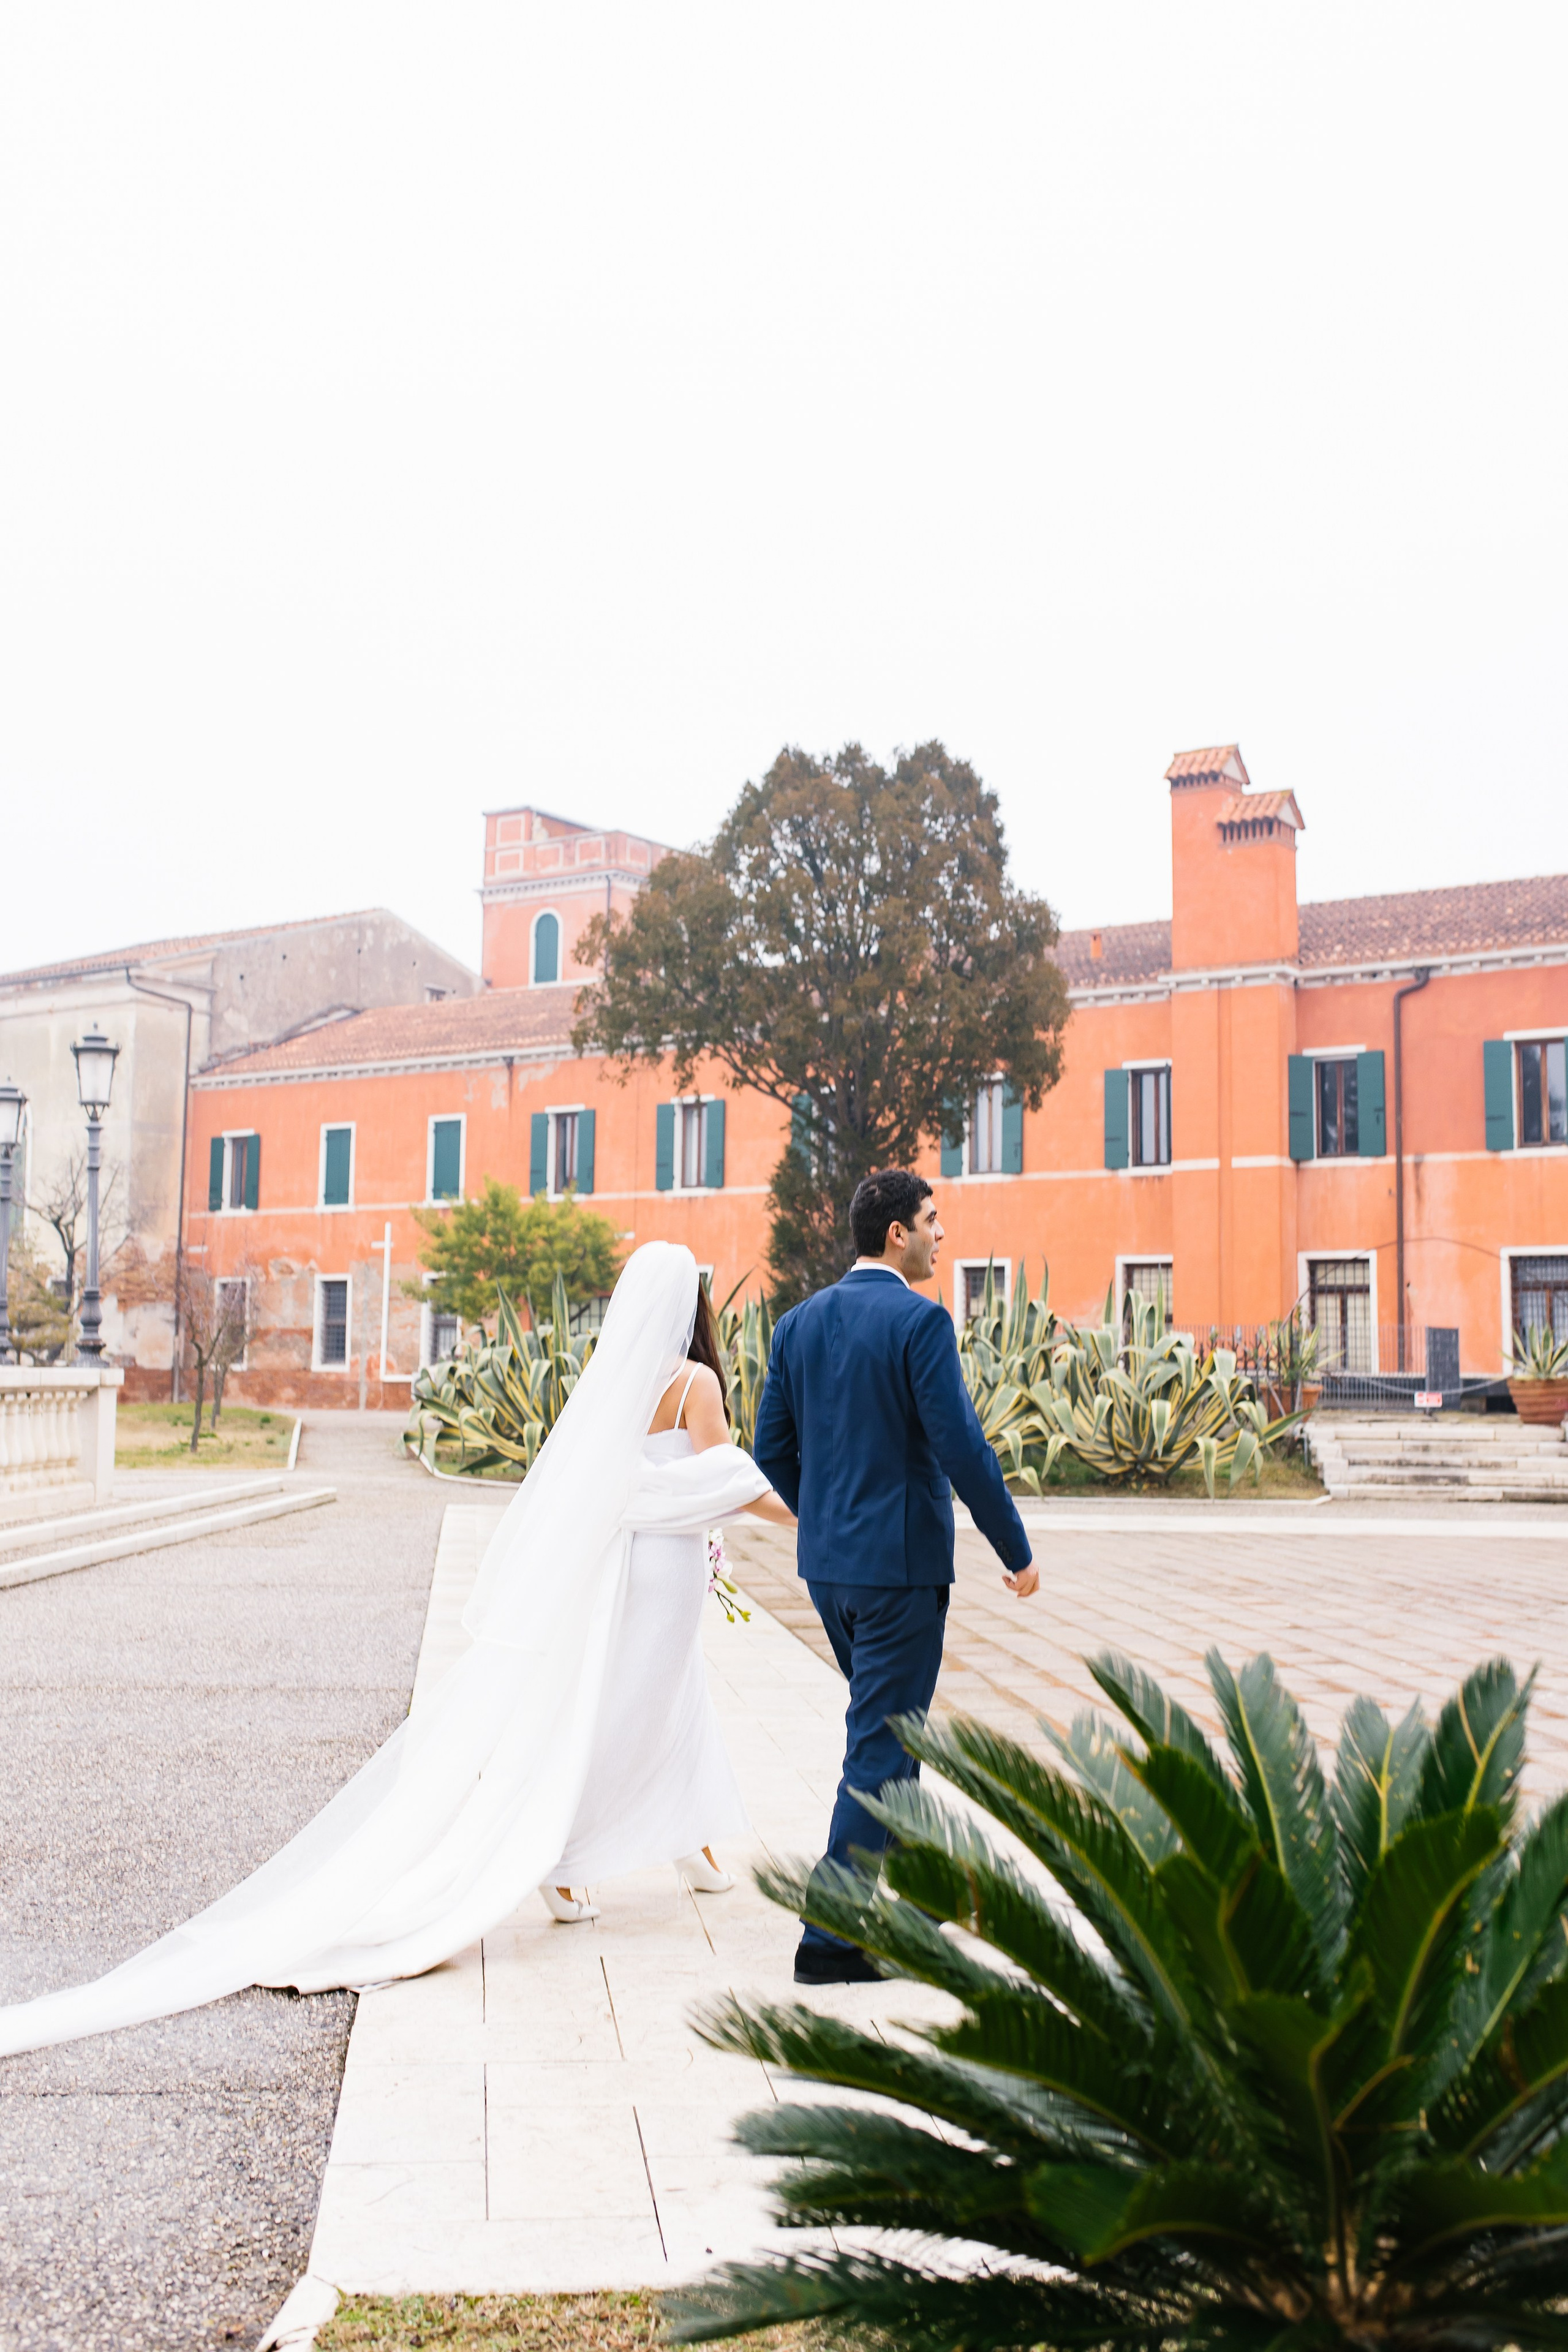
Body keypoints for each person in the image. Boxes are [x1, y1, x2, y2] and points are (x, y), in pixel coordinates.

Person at [0, 1243, 791, 2058]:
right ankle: (568, 1852)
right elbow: (725, 1478)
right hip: (666, 1573)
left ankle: (691, 1843)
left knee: (663, 1698)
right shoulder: (694, 1383)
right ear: (688, 1302)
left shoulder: (613, 1379)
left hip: (625, 1568)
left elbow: (605, 1484)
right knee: (645, 1706)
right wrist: (808, 1517)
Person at [753, 1169, 1037, 1986]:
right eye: (931, 1221)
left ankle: (925, 1892)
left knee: (891, 1728)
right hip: (901, 1574)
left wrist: (826, 1522)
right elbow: (962, 1449)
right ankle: (832, 1939)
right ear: (895, 1236)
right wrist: (1014, 1549)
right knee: (880, 1741)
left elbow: (772, 1450)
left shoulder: (796, 1325)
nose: (942, 1235)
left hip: (830, 1572)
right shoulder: (922, 1322)